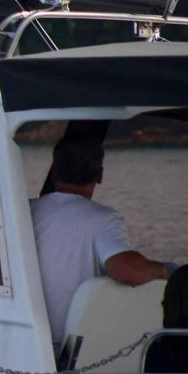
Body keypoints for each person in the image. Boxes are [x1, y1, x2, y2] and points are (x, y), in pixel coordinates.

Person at [30, 138, 171, 346]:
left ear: (53, 172)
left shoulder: (22, 211)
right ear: (100, 175)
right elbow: (127, 271)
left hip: (26, 340)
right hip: (67, 349)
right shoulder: (103, 219)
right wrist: (166, 271)